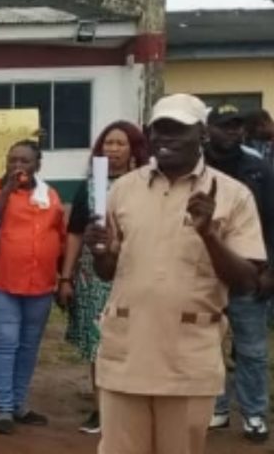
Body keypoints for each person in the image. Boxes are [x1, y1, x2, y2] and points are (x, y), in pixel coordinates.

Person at [88, 93, 266, 454]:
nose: (165, 139)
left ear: (201, 133)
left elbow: (248, 280)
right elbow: (107, 273)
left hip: (186, 358)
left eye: (177, 130)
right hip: (126, 353)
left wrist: (208, 235)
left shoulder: (233, 195)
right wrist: (101, 251)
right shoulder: (123, 190)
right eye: (160, 130)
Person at [57, 122, 149, 434]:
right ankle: (101, 410)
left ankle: (134, 410)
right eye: (107, 143)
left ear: (134, 148)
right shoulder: (89, 186)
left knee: (135, 342)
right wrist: (65, 278)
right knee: (100, 343)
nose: (112, 149)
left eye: (120, 143)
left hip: (137, 274)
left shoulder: (147, 184)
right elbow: (74, 234)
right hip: (93, 277)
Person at [0, 140, 66, 435]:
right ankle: (3, 409)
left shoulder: (49, 195)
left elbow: (59, 237)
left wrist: (63, 278)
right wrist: (7, 190)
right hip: (2, 284)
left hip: (40, 286)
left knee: (28, 347)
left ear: (38, 164)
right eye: (12, 160)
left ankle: (20, 404)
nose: (17, 166)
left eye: (24, 161)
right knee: (5, 343)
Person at [203, 105, 274, 442]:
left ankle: (254, 414)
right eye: (224, 126)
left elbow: (272, 224)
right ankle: (216, 408)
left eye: (236, 127)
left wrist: (271, 271)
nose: (232, 132)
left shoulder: (258, 169)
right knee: (207, 345)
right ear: (208, 130)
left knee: (252, 350)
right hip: (206, 275)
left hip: (249, 276)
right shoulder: (197, 168)